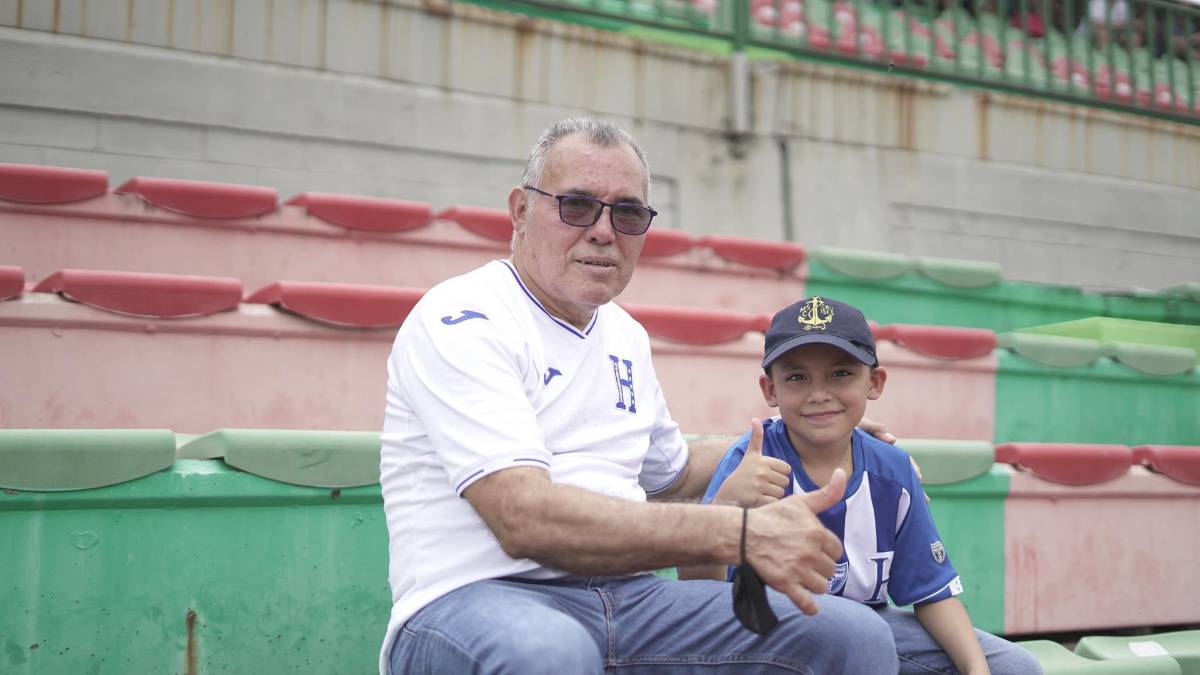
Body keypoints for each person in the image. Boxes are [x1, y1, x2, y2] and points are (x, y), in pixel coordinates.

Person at [378, 118, 903, 674]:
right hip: (475, 598)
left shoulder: (623, 333)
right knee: (548, 653)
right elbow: (523, 518)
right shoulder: (464, 316)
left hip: (630, 600)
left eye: (627, 213)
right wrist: (739, 532)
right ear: (520, 210)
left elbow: (672, 474)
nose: (604, 231)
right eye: (577, 206)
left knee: (852, 636)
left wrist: (800, 435)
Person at [679, 296, 1042, 675]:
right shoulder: (751, 463)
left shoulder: (893, 468)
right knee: (858, 636)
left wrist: (975, 670)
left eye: (840, 374)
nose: (819, 393)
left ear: (875, 382)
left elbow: (931, 592)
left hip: (870, 631)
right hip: (761, 636)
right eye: (797, 377)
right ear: (771, 390)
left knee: (1014, 667)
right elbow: (697, 592)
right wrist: (726, 507)